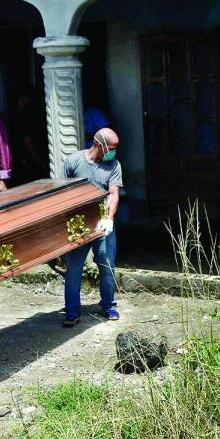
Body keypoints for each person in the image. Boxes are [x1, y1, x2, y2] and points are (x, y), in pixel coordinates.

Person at [61, 128, 122, 327]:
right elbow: (62, 192)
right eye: (112, 148)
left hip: (102, 224)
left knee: (106, 267)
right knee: (73, 269)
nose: (114, 152)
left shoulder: (113, 165)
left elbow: (113, 194)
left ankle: (108, 305)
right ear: (100, 144)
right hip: (78, 225)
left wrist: (110, 218)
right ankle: (72, 311)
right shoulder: (73, 161)